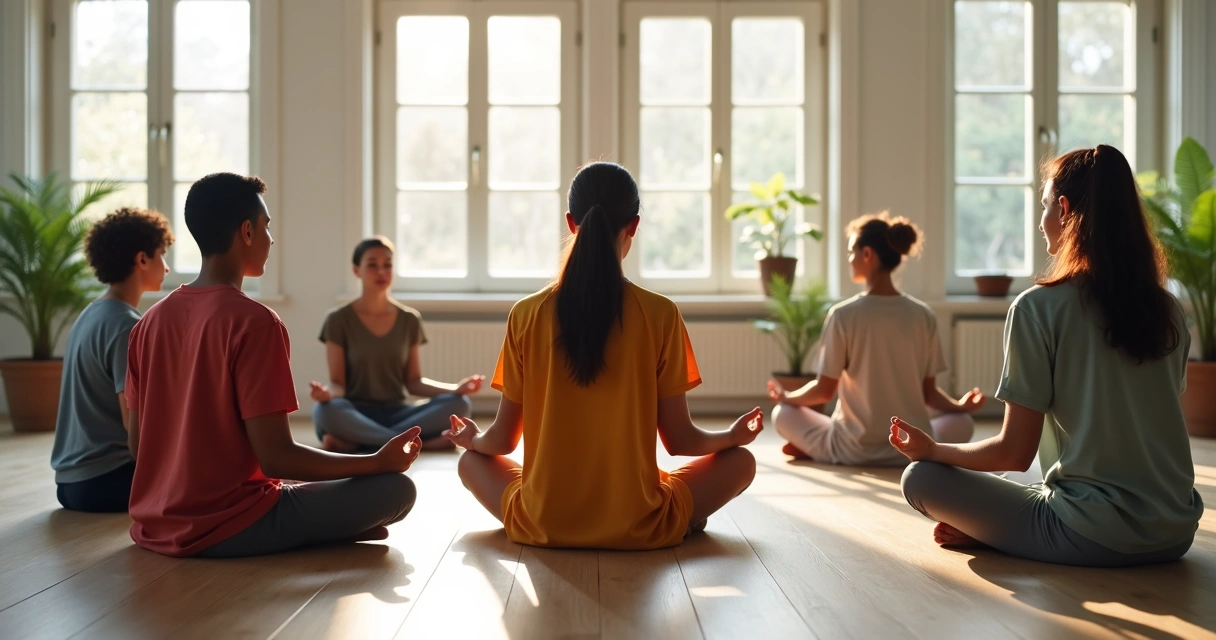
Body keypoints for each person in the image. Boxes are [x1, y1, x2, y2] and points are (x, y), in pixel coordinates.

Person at [894, 145, 1203, 566]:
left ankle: (999, 532)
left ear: (1063, 209)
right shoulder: (1168, 309)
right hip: (1174, 533)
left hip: (1092, 535)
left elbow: (1013, 452)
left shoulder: (1037, 307)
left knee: (921, 477)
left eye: (1044, 206)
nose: (1041, 223)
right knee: (1033, 477)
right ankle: (1002, 526)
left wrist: (933, 450)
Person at [444, 161, 763, 549]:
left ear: (570, 222)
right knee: (742, 463)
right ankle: (678, 519)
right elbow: (680, 441)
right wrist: (733, 435)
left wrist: (473, 439)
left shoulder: (526, 314)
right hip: (639, 525)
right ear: (633, 226)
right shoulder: (661, 314)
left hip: (542, 523)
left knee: (470, 463)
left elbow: (502, 443)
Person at [125, 172, 421, 558]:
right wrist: (374, 462)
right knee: (396, 490)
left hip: (154, 525)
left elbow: (137, 445)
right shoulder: (256, 322)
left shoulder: (148, 322)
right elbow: (277, 457)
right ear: (246, 232)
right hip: (230, 524)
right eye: (266, 227)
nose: (271, 238)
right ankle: (309, 531)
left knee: (316, 490)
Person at [769, 212, 982, 465]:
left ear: (867, 254)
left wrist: (787, 398)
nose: (849, 259)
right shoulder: (923, 314)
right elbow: (929, 395)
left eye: (851, 252)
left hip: (852, 449)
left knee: (782, 414)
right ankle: (819, 447)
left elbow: (824, 391)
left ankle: (817, 449)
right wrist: (960, 406)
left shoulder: (843, 315)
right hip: (911, 447)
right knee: (962, 423)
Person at [50, 208, 172, 512]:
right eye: (162, 255)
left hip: (70, 484)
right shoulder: (126, 325)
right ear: (142, 259)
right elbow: (134, 424)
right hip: (108, 480)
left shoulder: (91, 314)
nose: (167, 268)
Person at [310, 236, 480, 453]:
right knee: (325, 411)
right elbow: (338, 385)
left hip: (399, 413)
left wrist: (456, 389)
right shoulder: (337, 320)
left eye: (387, 265)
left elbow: (414, 382)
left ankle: (364, 443)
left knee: (460, 404)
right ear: (356, 270)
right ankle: (412, 443)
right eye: (372, 265)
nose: (381, 271)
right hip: (355, 413)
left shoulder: (409, 319)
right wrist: (326, 394)